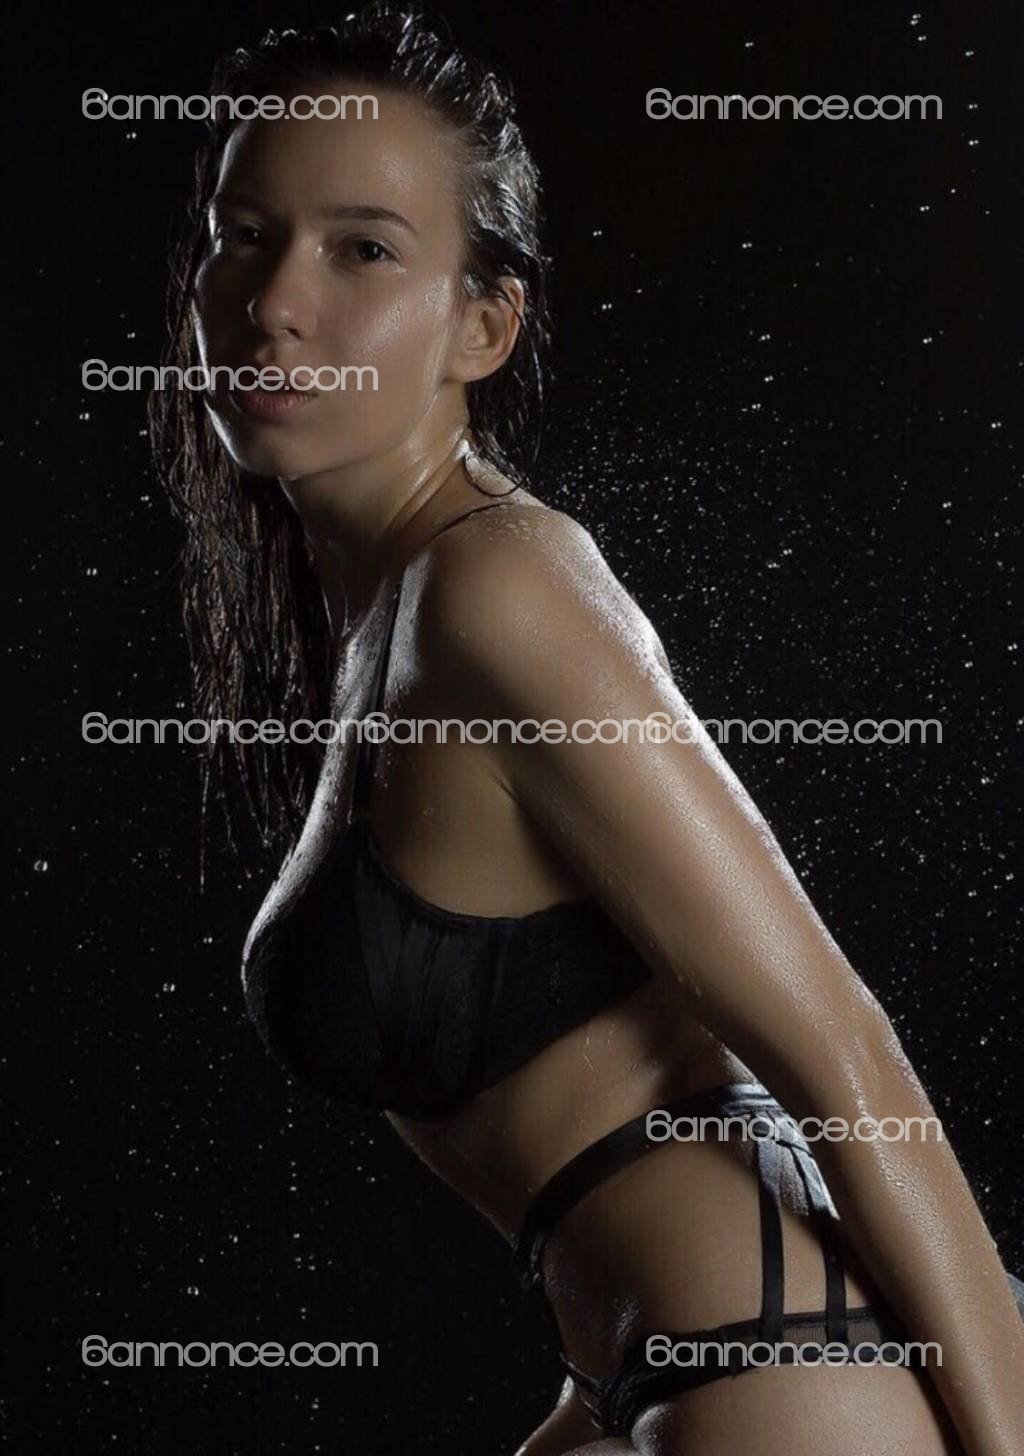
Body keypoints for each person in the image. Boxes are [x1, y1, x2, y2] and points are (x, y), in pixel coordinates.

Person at [149, 6, 1024, 1453]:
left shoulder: (501, 589)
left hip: (782, 1366)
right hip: (665, 1372)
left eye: (364, 250)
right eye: (246, 236)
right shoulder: (395, 621)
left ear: (482, 326)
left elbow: (846, 1061)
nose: (276, 302)